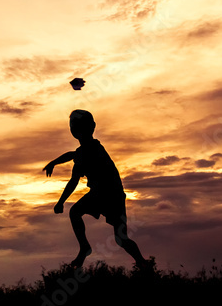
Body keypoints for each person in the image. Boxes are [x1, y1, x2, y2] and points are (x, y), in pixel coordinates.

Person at [43, 109, 149, 269]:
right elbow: (72, 155)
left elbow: (73, 178)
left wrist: (60, 202)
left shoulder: (90, 150)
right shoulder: (89, 149)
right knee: (121, 238)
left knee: (77, 214)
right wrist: (54, 163)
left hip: (105, 194)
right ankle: (142, 263)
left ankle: (86, 248)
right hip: (113, 195)